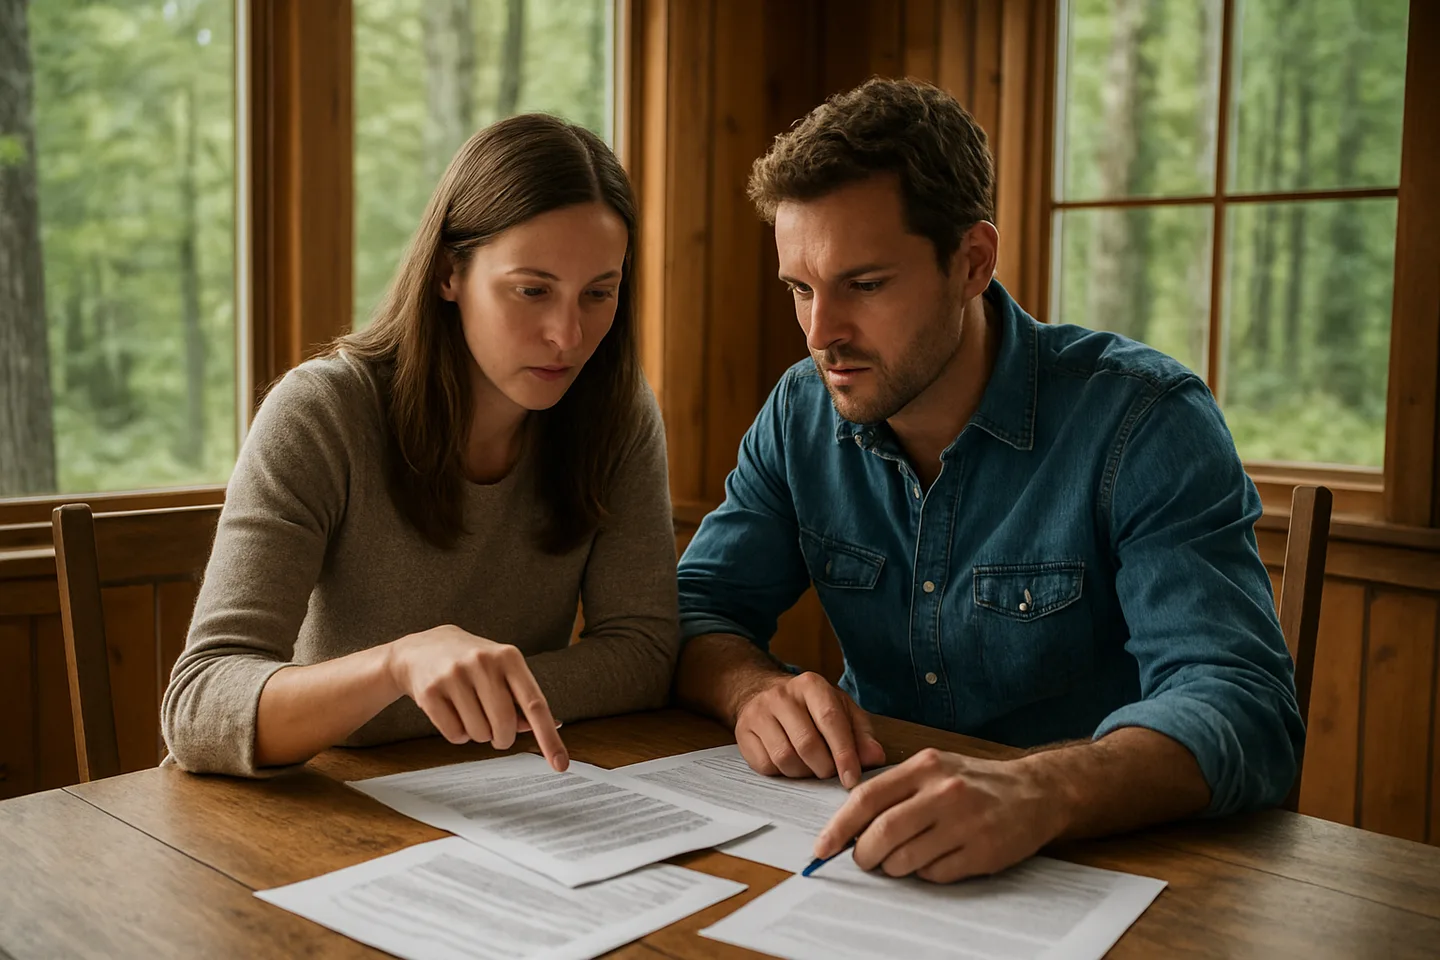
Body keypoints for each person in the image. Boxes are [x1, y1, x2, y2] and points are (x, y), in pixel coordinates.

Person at [674, 79, 1303, 883]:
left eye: (864, 285)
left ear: (971, 262)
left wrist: (1040, 787)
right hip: (860, 862)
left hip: (1107, 869)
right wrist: (751, 689)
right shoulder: (801, 414)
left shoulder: (1144, 420)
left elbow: (1242, 707)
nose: (820, 334)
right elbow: (697, 610)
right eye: (800, 287)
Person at [162, 114, 677, 777]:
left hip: (510, 787)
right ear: (447, 274)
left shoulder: (616, 411)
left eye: (599, 294)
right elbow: (199, 704)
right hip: (322, 803)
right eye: (532, 290)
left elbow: (643, 654)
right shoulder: (321, 413)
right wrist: (399, 667)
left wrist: (449, 703)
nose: (569, 336)